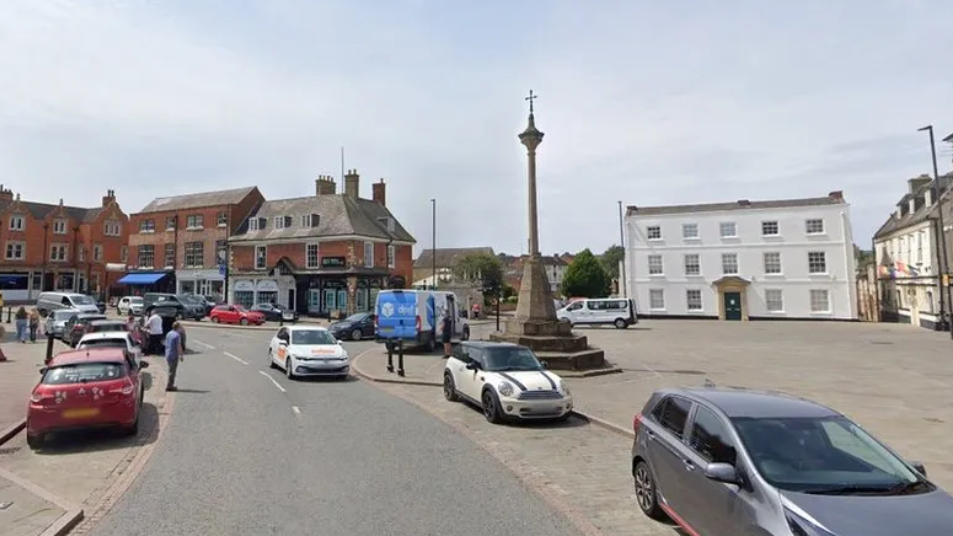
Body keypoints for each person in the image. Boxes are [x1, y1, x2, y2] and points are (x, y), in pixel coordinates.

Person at [164, 321, 184, 391]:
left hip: (168, 353)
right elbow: (178, 346)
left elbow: (165, 343)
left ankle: (170, 385)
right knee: (172, 371)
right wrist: (181, 355)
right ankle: (169, 386)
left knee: (170, 370)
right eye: (181, 327)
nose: (181, 328)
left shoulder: (169, 333)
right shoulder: (177, 335)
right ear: (178, 327)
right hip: (173, 355)